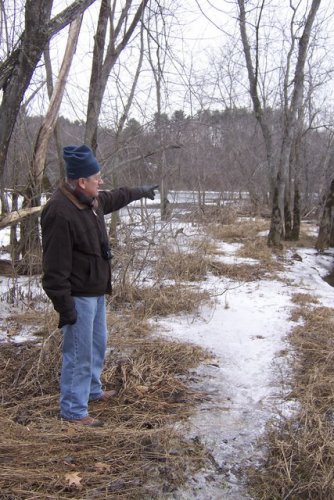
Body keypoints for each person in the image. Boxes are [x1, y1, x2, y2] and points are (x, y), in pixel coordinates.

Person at [41, 144, 158, 427]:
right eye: (97, 178)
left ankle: (91, 391)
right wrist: (65, 309)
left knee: (96, 345)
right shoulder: (59, 212)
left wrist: (140, 190)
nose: (101, 182)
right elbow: (54, 271)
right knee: (78, 353)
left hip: (95, 292)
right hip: (78, 297)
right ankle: (72, 411)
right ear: (82, 181)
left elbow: (115, 196)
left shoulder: (90, 200)